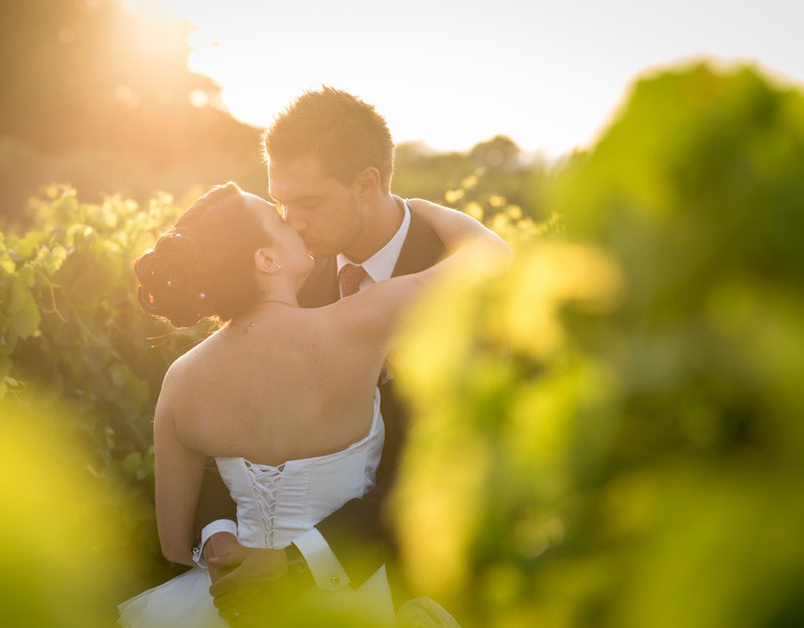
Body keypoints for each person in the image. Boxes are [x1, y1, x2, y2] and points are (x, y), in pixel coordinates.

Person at [115, 179, 509, 626]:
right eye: (278, 219)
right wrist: (419, 206)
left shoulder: (180, 380)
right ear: (266, 259)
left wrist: (221, 544)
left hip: (223, 605)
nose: (294, 224)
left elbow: (172, 543)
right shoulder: (358, 325)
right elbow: (488, 262)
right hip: (353, 605)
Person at [196, 88, 474, 624]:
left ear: (366, 183)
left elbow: (448, 463)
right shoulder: (284, 283)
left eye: (309, 202)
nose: (291, 223)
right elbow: (226, 417)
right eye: (281, 203)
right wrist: (220, 534)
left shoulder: (460, 275)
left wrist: (298, 564)